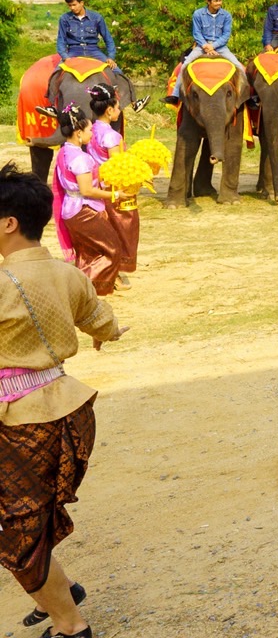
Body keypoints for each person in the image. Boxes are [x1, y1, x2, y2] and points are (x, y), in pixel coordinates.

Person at [0, 162, 127, 637]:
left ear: (9, 223)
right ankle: (62, 589)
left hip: (21, 421)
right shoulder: (66, 274)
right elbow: (100, 318)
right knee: (29, 517)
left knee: (15, 529)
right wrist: (108, 333)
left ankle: (71, 625)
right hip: (69, 410)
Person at [49, 107, 134, 297]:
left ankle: (81, 286)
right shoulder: (80, 159)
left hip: (70, 209)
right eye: (88, 130)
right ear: (79, 133)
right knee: (112, 247)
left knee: (87, 251)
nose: (91, 134)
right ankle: (92, 288)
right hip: (83, 210)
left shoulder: (64, 152)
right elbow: (87, 190)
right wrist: (116, 195)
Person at [86, 85, 139, 291]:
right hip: (111, 188)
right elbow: (118, 168)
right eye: (118, 108)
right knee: (123, 227)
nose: (119, 111)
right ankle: (116, 270)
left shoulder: (91, 129)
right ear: (109, 110)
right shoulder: (111, 136)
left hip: (95, 185)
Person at [166, 0, 244, 104]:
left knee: (239, 67)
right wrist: (206, 46)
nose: (218, 3)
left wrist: (213, 46)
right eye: (215, 1)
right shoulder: (198, 14)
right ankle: (175, 95)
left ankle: (247, 96)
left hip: (221, 47)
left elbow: (226, 34)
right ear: (208, 1)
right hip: (201, 46)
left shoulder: (226, 15)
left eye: (220, 0)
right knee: (185, 66)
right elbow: (196, 33)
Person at [54, 0, 117, 69]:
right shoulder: (64, 19)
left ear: (82, 3)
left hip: (94, 50)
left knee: (116, 71)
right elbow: (61, 40)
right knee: (57, 72)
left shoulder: (97, 18)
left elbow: (108, 39)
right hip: (73, 51)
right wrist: (65, 57)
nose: (72, 8)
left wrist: (111, 57)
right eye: (70, 5)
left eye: (74, 5)